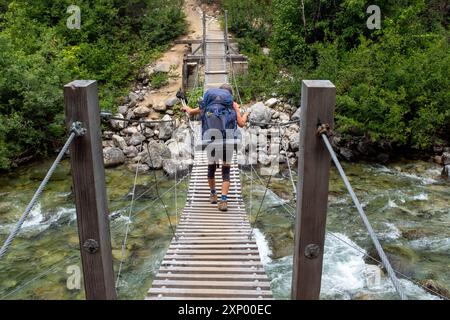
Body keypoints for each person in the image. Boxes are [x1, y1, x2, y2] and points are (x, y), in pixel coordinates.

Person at [180, 84, 250, 212]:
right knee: (226, 171)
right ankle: (223, 200)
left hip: (211, 138)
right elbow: (241, 123)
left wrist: (186, 107)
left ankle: (213, 194)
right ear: (229, 95)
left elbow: (190, 112)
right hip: (227, 139)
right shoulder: (233, 105)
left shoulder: (206, 104)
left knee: (211, 168)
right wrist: (246, 114)